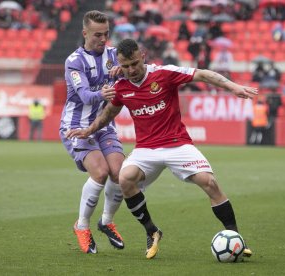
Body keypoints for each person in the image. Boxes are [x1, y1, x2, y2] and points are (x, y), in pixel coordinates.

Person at [67, 38, 256, 259]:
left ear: (143, 57)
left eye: (135, 64)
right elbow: (109, 113)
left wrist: (233, 86)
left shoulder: (164, 73)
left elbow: (202, 74)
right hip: (146, 149)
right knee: (124, 178)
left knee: (209, 182)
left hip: (177, 143)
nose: (131, 70)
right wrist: (88, 130)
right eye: (126, 66)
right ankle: (152, 231)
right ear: (119, 64)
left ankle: (235, 237)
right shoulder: (121, 87)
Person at [59, 10, 125, 254]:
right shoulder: (74, 61)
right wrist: (103, 94)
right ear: (85, 33)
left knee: (120, 173)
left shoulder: (113, 55)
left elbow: (130, 73)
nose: (103, 39)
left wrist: (127, 70)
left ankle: (106, 221)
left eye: (106, 33)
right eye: (97, 35)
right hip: (77, 127)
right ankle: (82, 226)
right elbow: (85, 95)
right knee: (100, 172)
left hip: (104, 124)